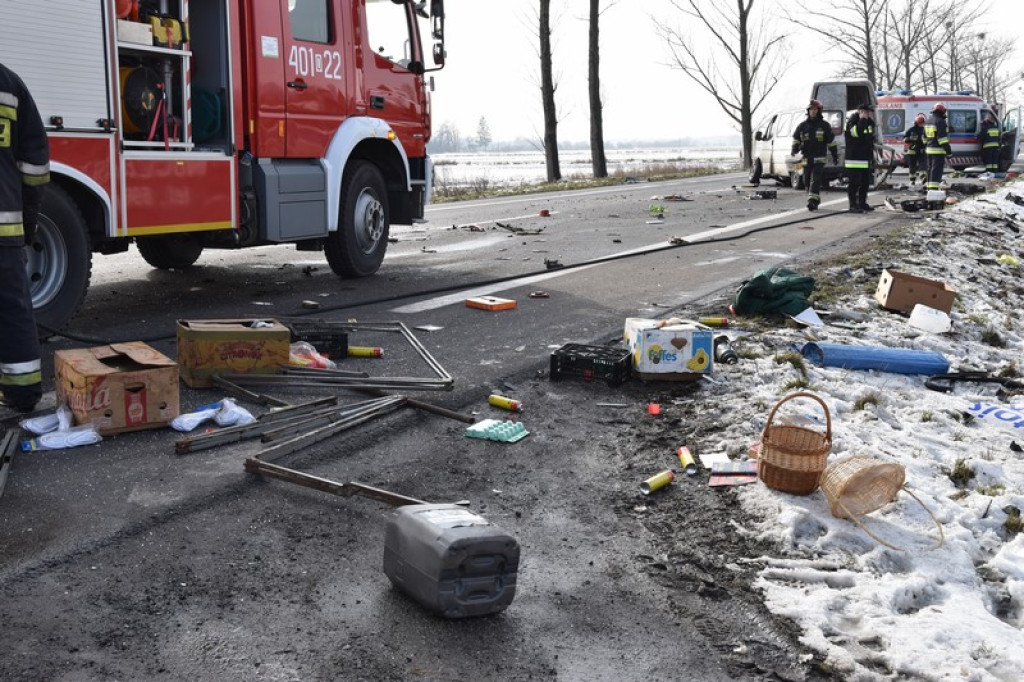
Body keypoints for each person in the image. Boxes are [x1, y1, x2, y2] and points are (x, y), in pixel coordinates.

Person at [0, 62, 49, 413]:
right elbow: (34, 165)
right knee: (13, 308)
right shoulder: (8, 83)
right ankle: (23, 394)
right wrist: (28, 220)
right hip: (4, 228)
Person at [791, 99, 839, 211]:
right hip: (805, 157)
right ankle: (814, 199)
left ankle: (812, 201)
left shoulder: (825, 126)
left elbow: (831, 142)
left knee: (815, 179)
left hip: (819, 157)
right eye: (811, 109)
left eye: (815, 109)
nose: (812, 111)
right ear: (808, 111)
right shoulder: (802, 126)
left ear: (819, 111)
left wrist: (835, 155)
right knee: (806, 180)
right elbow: (796, 139)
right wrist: (794, 150)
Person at [844, 103, 876, 213]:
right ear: (861, 112)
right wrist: (862, 120)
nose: (869, 114)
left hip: (865, 158)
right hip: (854, 159)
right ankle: (853, 205)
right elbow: (856, 133)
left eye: (870, 112)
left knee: (865, 183)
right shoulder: (852, 121)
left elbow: (870, 140)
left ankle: (862, 203)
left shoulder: (870, 123)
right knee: (854, 183)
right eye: (867, 112)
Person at [923, 103, 952, 193]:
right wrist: (949, 152)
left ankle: (929, 188)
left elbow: (924, 138)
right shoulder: (940, 121)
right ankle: (933, 190)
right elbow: (942, 140)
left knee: (930, 169)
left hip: (929, 150)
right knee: (936, 170)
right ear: (942, 112)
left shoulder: (928, 121)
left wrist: (928, 145)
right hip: (938, 151)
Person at [903, 113, 927, 185]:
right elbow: (904, 138)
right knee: (912, 166)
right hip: (912, 150)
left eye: (922, 123)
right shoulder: (911, 130)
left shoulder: (924, 130)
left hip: (921, 150)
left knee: (922, 165)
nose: (921, 124)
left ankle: (923, 177)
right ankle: (912, 180)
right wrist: (909, 140)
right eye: (921, 123)